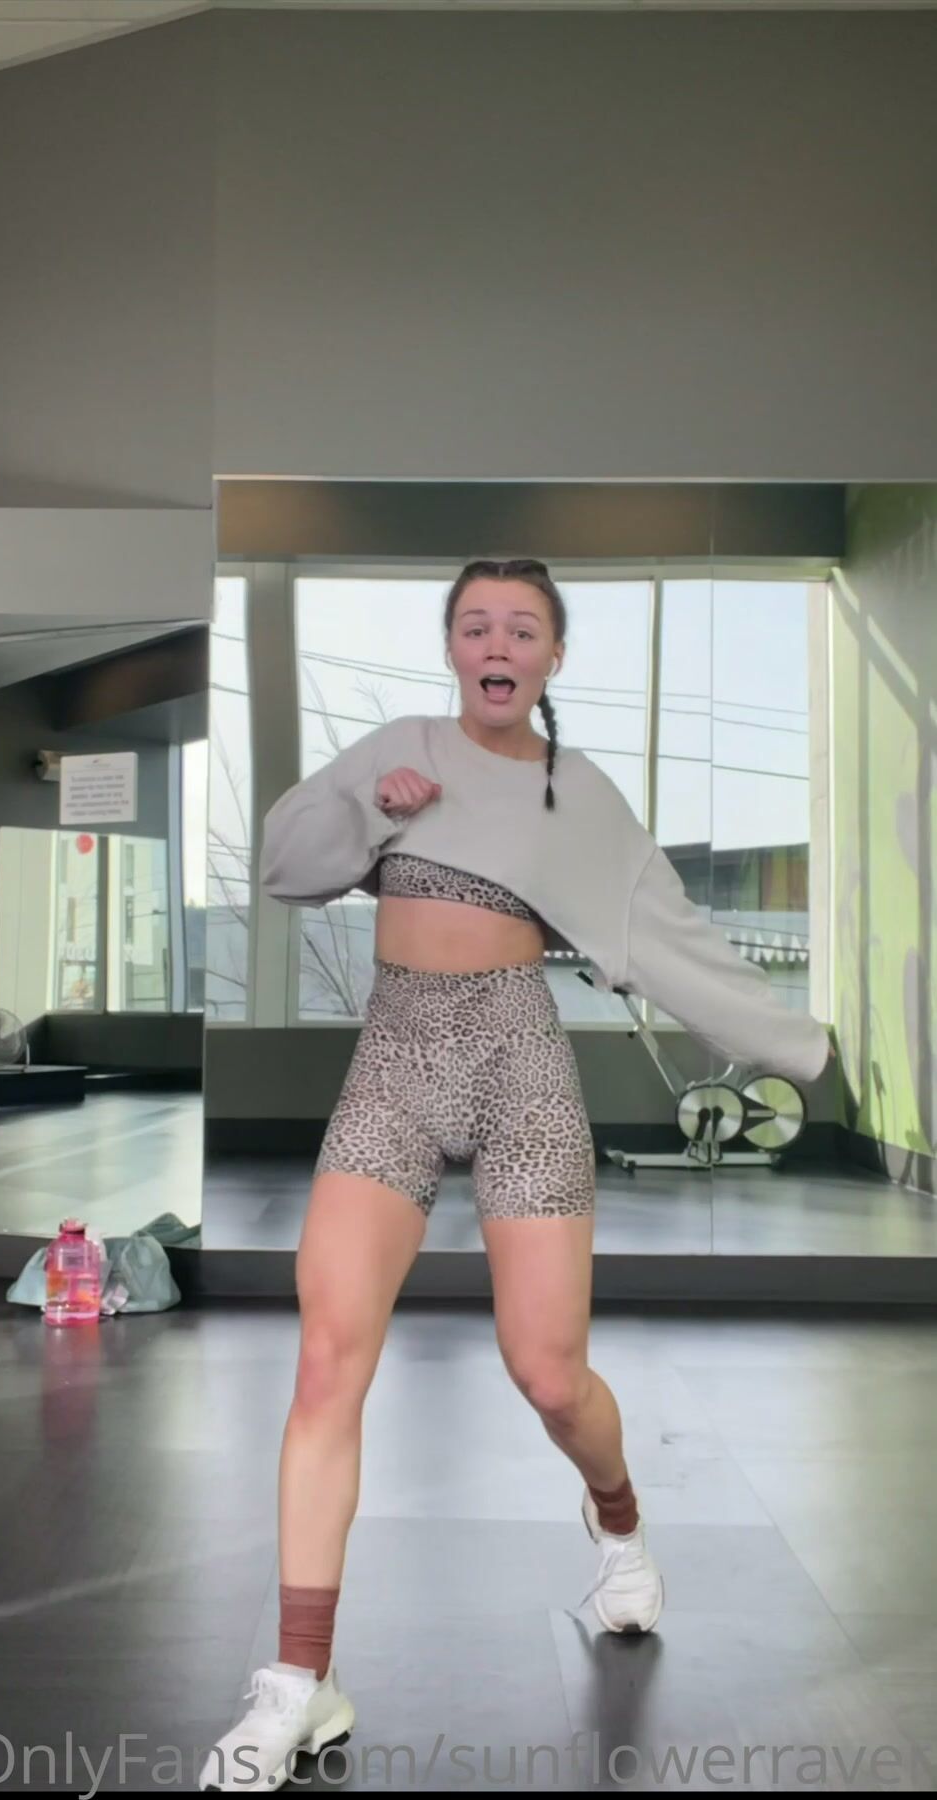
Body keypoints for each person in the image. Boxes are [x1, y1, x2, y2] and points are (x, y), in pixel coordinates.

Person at [198, 558, 832, 1794]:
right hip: (394, 1056)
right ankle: (297, 1679)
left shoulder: (577, 796)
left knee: (547, 1374)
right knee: (327, 1355)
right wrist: (369, 811)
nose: (497, 643)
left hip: (519, 1063)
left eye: (522, 628)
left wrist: (801, 1049)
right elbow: (284, 861)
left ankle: (617, 1519)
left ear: (551, 657)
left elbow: (670, 938)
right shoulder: (400, 748)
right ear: (451, 646)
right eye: (476, 624)